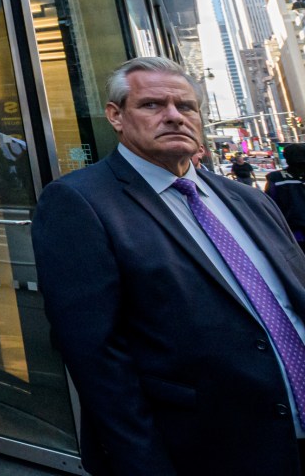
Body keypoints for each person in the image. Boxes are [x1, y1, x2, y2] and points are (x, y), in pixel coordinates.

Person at [33, 57, 305, 476]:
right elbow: (97, 359)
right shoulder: (79, 203)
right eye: (153, 105)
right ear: (116, 116)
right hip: (210, 449)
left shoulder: (250, 199)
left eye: (186, 106)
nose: (174, 116)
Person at [267, 143, 305, 246]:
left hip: (291, 234)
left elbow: (270, 205)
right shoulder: (277, 179)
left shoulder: (276, 178)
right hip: (294, 233)